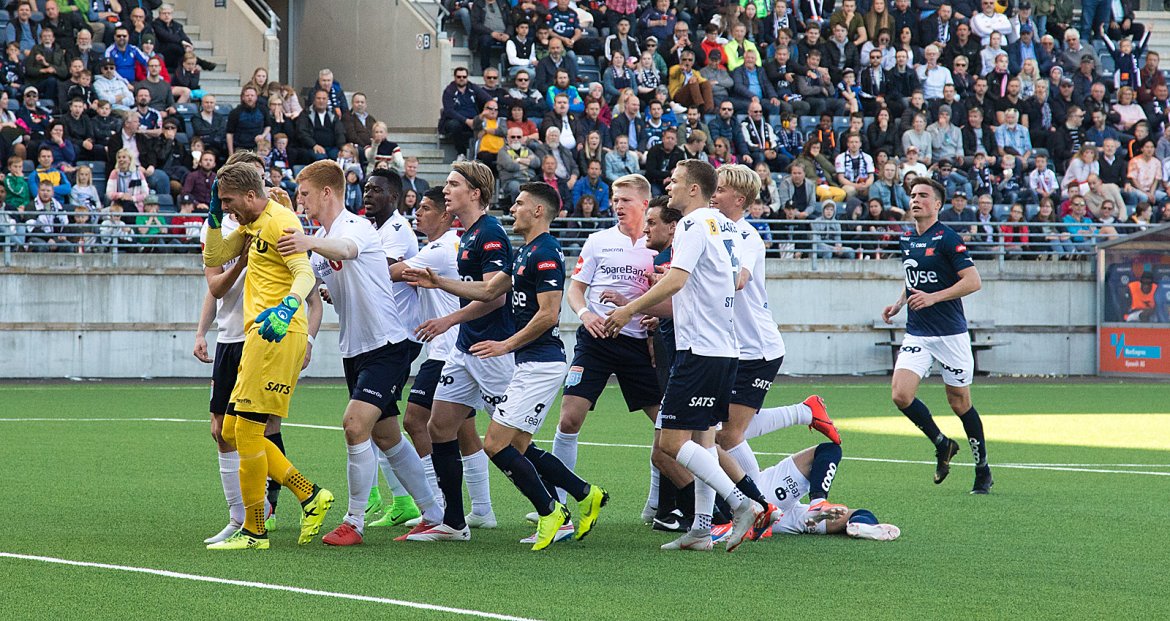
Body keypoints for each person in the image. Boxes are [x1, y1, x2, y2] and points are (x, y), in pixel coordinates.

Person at [407, 181, 610, 550]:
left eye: (518, 204)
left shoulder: (547, 251)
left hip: (539, 363)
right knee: (508, 443)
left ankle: (552, 511)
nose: (512, 208)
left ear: (537, 211)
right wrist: (438, 282)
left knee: (498, 444)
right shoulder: (524, 251)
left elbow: (549, 315)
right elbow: (487, 292)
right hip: (521, 359)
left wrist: (505, 344)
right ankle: (584, 493)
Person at [266, 162, 441, 547]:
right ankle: (435, 513)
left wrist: (309, 242)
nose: (302, 199)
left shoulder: (356, 226)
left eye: (306, 193)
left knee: (354, 425)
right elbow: (307, 280)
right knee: (387, 436)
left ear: (328, 192)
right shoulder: (320, 236)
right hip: (355, 350)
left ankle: (354, 521)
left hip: (387, 346)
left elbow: (346, 250)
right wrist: (278, 219)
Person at [604, 160, 774, 552]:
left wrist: (629, 309)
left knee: (670, 444)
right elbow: (717, 283)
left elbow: (678, 280)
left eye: (676, 181)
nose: (670, 186)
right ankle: (700, 529)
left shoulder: (693, 224)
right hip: (724, 349)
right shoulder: (728, 226)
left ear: (694, 189)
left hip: (700, 351)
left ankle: (741, 503)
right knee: (704, 440)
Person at [201, 163, 335, 550]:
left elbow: (304, 273)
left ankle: (255, 530)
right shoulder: (252, 224)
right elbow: (216, 256)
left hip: (278, 331)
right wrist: (213, 217)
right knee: (230, 430)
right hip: (258, 335)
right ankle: (309, 494)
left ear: (248, 195)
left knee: (244, 431)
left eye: (228, 202)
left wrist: (286, 305)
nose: (227, 209)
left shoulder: (279, 221)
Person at [709, 163, 841, 529]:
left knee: (728, 433)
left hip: (757, 349)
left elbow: (740, 280)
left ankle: (759, 506)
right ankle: (805, 411)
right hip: (735, 348)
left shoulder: (747, 236)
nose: (712, 194)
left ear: (738, 198)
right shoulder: (715, 230)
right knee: (721, 428)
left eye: (719, 190)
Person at [556, 174, 677, 526]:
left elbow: (669, 295)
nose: (617, 205)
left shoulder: (660, 245)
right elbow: (575, 289)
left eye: (625, 199)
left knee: (664, 425)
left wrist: (652, 319)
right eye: (614, 198)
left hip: (639, 344)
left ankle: (657, 503)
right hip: (595, 341)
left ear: (644, 203)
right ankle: (558, 502)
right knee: (569, 417)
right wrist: (585, 314)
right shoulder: (598, 241)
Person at [882, 176, 992, 495]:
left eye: (923, 195)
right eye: (913, 195)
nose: (915, 200)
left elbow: (973, 281)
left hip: (950, 335)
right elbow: (913, 277)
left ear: (937, 204)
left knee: (960, 404)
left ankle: (982, 468)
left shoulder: (947, 238)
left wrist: (933, 297)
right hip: (918, 332)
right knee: (900, 394)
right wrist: (899, 302)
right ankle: (942, 443)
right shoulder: (907, 239)